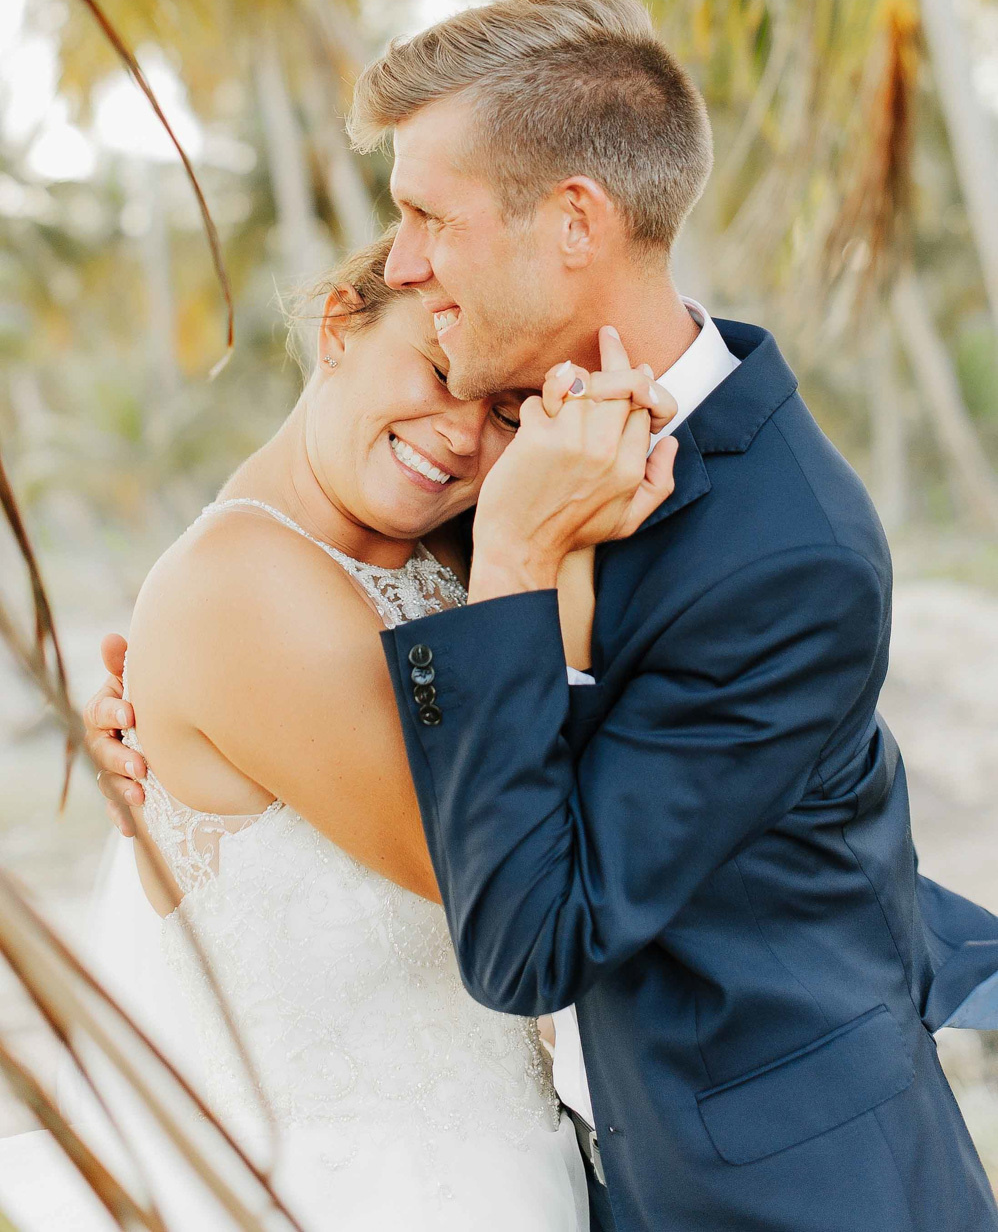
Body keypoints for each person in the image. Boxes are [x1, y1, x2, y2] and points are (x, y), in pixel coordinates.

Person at [89, 0, 998, 1232]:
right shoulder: (496, 473)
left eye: (426, 215)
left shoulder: (783, 545)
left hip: (786, 1192)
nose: (402, 255)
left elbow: (534, 920)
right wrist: (177, 731)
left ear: (573, 221)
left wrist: (515, 557)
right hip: (501, 1167)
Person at [2, 233, 676, 1232]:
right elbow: (501, 874)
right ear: (336, 330)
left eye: (506, 412)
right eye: (439, 371)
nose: (460, 435)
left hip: (505, 1166)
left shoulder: (440, 560)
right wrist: (548, 557)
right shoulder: (240, 585)